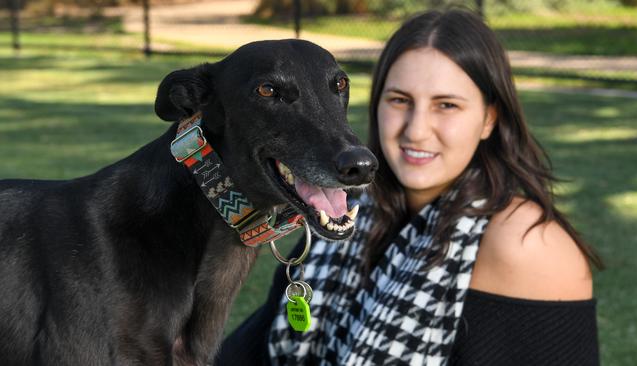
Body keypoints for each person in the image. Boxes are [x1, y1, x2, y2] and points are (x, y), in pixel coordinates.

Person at [215, 8, 602, 366]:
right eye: (400, 100)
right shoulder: (342, 214)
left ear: (489, 119)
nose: (416, 130)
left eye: (446, 105)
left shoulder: (527, 243)